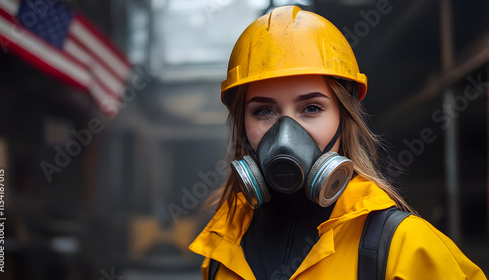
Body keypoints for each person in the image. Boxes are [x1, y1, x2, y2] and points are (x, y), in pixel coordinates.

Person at [189, 5, 487, 280]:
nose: (286, 134)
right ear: (242, 124)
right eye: (264, 111)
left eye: (311, 108)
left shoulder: (403, 248)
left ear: (344, 120)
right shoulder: (222, 249)